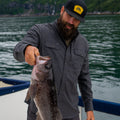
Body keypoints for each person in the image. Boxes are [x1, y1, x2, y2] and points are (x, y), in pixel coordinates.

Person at [13, 0, 95, 120]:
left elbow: (84, 78)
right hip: (39, 113)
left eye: (76, 19)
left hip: (71, 114)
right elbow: (17, 50)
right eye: (69, 15)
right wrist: (26, 49)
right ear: (62, 11)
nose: (71, 22)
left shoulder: (83, 44)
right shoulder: (40, 31)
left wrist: (89, 108)